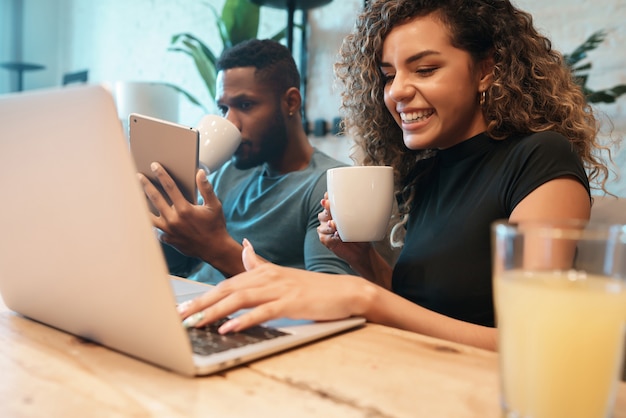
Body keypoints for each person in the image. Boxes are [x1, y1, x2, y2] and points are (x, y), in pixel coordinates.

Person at [175, 0, 615, 351]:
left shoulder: (540, 159)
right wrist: (364, 262)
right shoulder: (430, 169)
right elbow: (425, 307)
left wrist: (365, 299)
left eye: (424, 69)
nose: (398, 91)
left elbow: (531, 344)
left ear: (486, 70)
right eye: (389, 75)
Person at [139, 39, 354, 283]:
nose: (231, 122)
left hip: (251, 319)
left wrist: (215, 246)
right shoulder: (225, 175)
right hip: (195, 307)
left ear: (291, 102)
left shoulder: (329, 186)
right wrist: (164, 221)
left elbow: (331, 296)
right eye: (223, 108)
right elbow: (180, 264)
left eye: (245, 105)